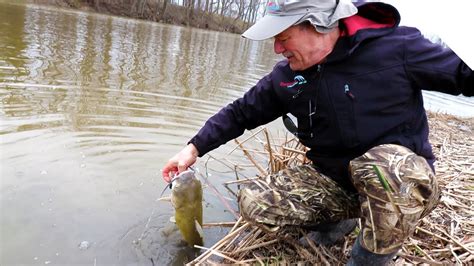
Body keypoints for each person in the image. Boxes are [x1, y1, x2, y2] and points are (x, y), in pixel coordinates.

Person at [162, 0, 473, 264]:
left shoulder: (398, 48)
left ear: (318, 24)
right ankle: (339, 221)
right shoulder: (286, 77)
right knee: (256, 202)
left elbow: (463, 74)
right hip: (338, 183)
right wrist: (192, 149)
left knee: (384, 166)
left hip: (399, 184)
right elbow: (241, 111)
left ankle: (368, 259)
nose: (276, 48)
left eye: (283, 37)